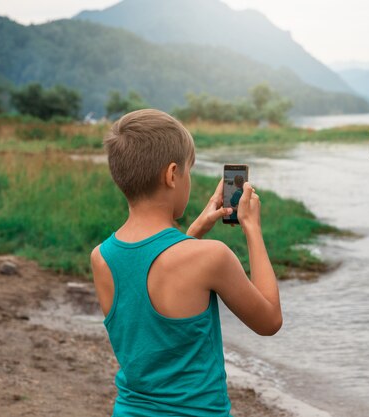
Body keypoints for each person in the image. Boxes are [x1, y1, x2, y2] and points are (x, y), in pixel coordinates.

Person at [90, 109, 282, 416]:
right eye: (188, 171)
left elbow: (157, 271)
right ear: (171, 175)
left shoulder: (101, 257)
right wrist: (252, 229)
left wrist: (192, 233)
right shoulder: (211, 257)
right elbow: (269, 320)